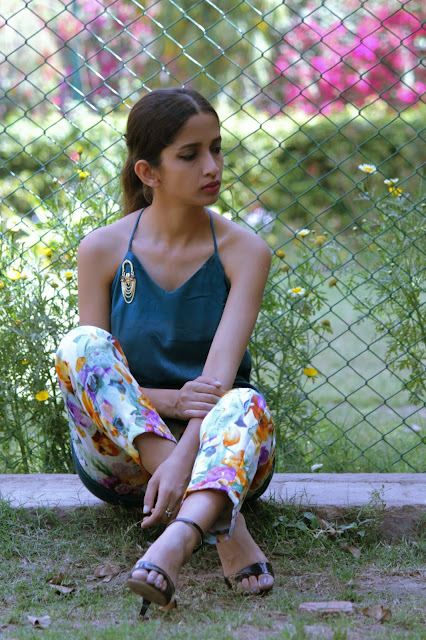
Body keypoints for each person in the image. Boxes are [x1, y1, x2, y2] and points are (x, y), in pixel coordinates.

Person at [55, 87, 275, 616]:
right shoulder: (102, 249)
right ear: (147, 172)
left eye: (216, 149)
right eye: (190, 154)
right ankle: (225, 524)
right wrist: (172, 406)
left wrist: (185, 462)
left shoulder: (246, 251)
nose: (212, 167)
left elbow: (218, 383)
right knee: (82, 345)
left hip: (225, 455)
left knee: (244, 401)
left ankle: (176, 543)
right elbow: (95, 381)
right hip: (124, 462)